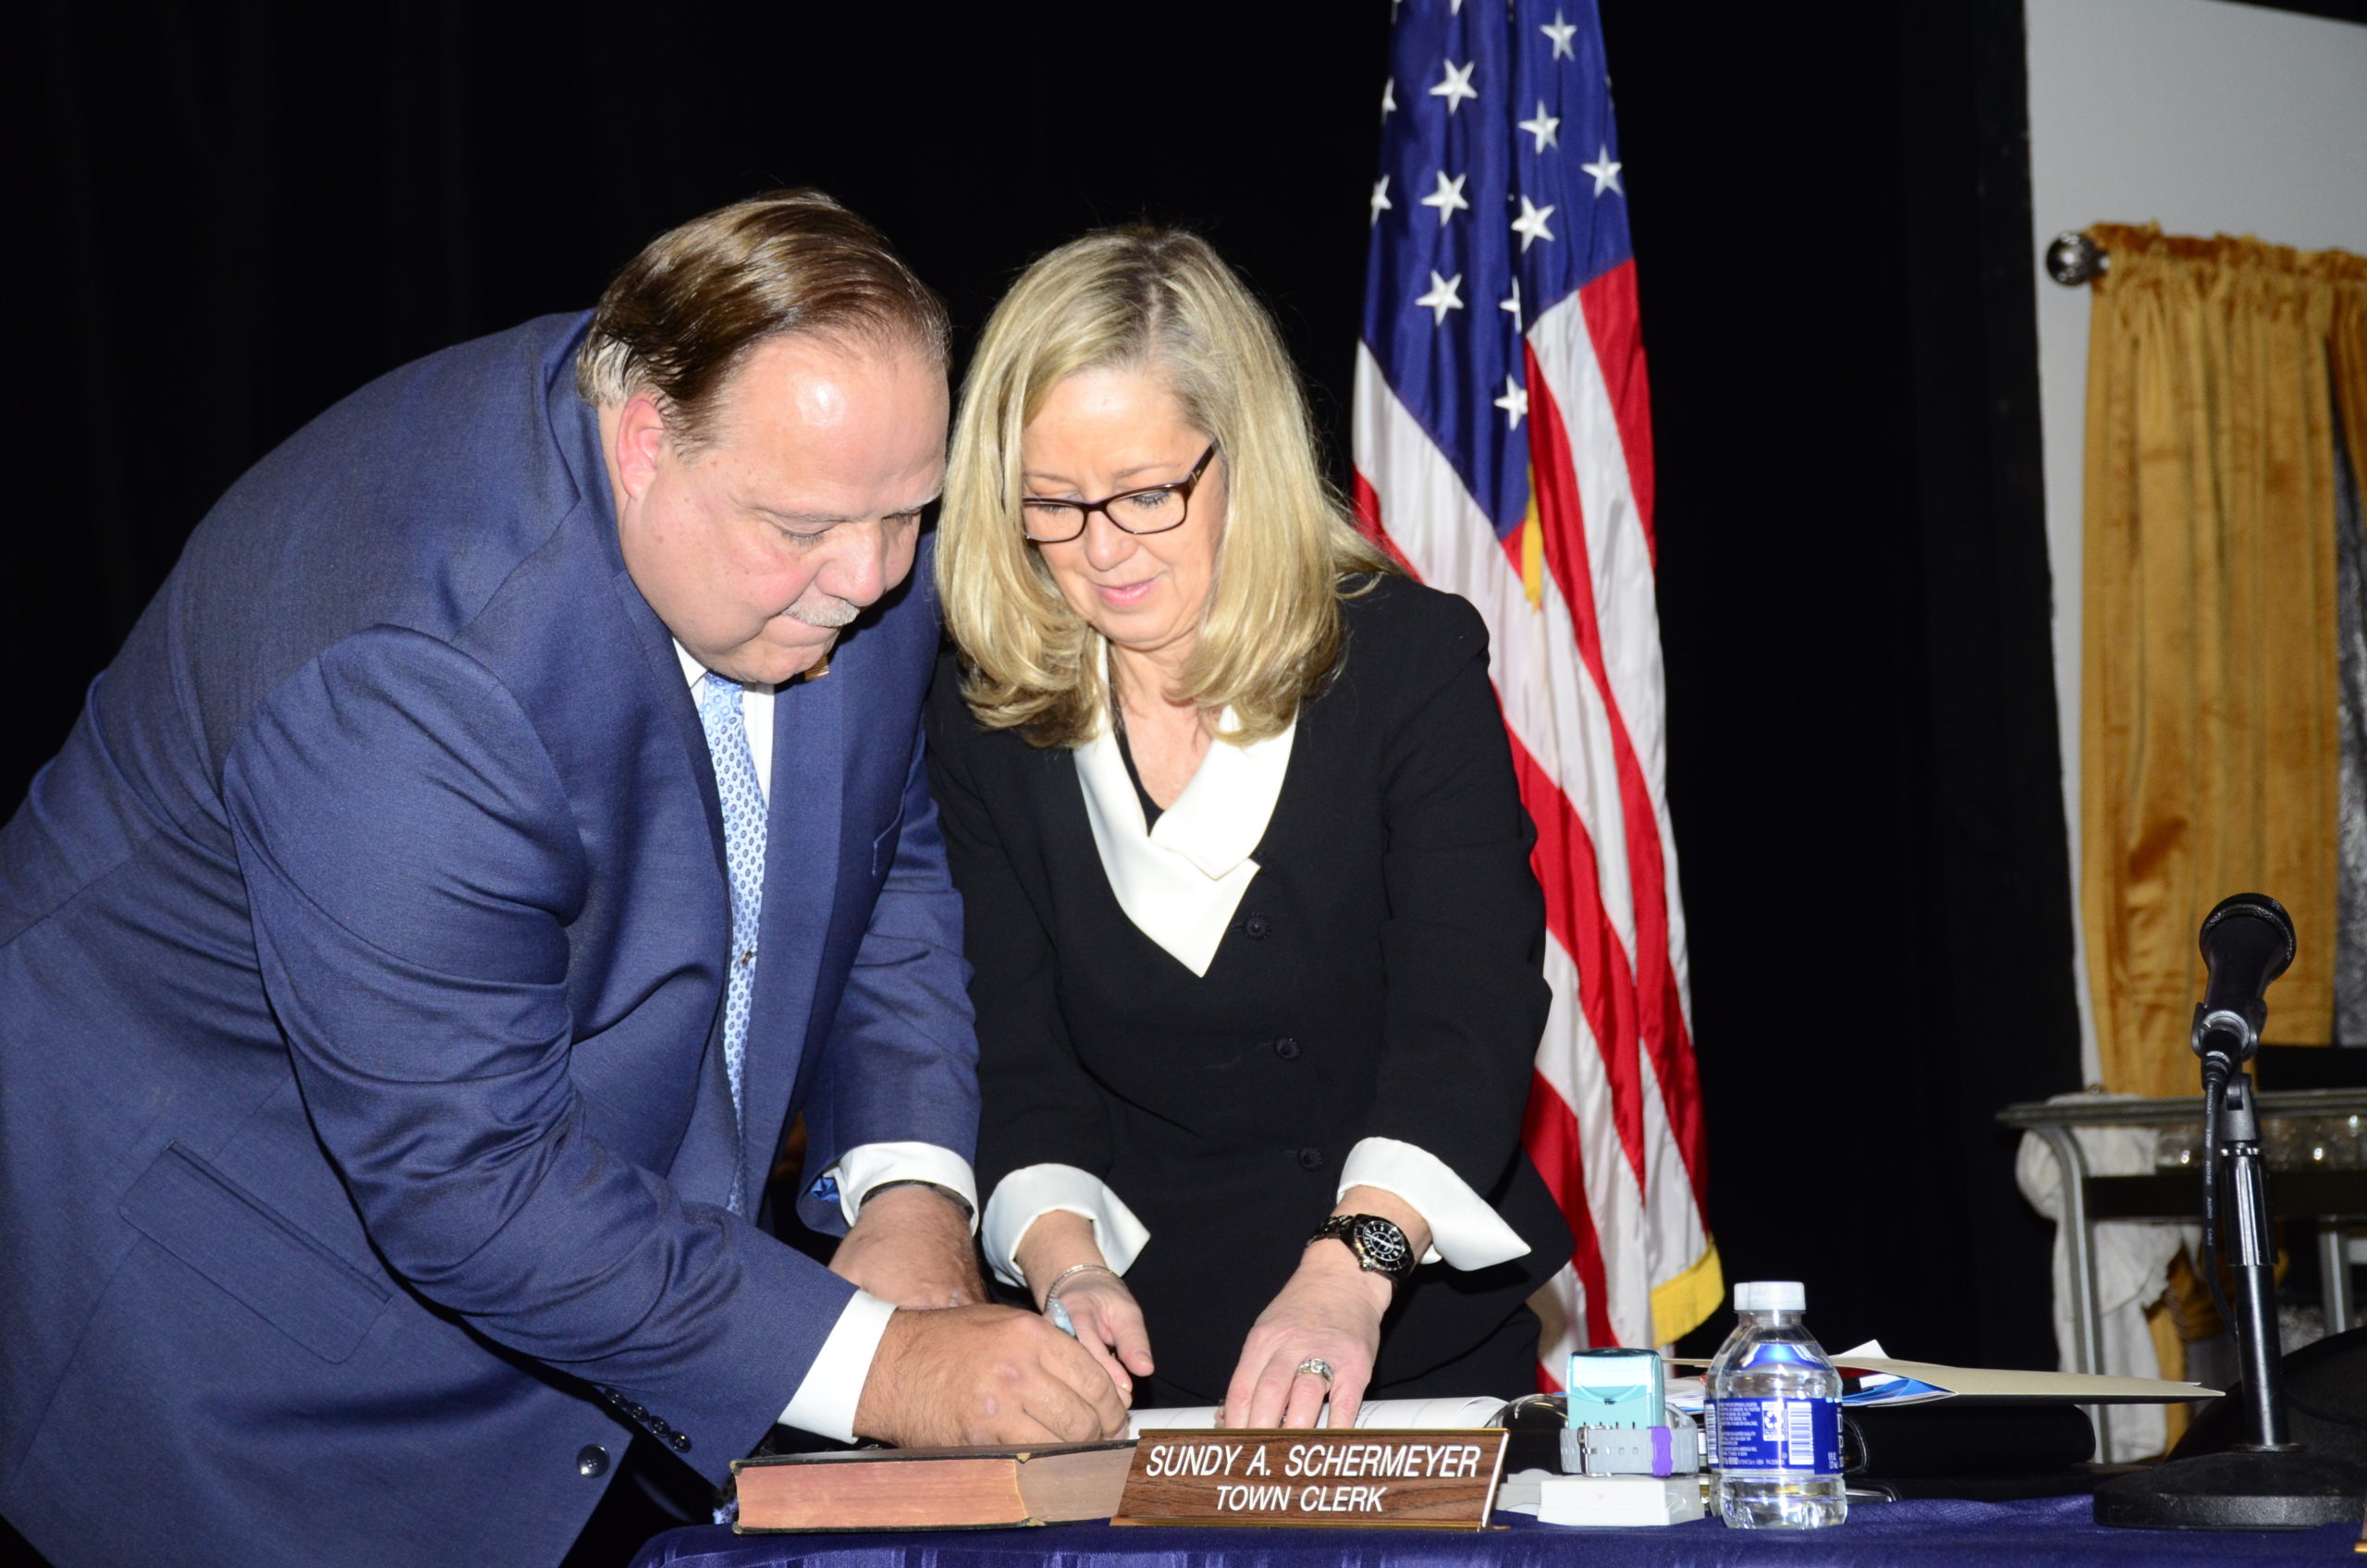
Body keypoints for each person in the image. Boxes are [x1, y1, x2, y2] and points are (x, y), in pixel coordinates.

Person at [0, 191, 1122, 1568]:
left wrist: (907, 1194)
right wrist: (884, 1369)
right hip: (243, 1327)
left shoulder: (835, 492)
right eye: (810, 530)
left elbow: (878, 852)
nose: (875, 581)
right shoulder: (413, 665)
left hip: (580, 1261)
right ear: (646, 438)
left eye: (914, 515)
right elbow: (470, 1181)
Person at [926, 227, 1574, 1428]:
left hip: (1406, 1336)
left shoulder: (1404, 666)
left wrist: (1349, 1272)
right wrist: (1066, 1260)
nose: (1102, 549)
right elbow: (1017, 1060)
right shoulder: (987, 724)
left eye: (1145, 493)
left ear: (1247, 457)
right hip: (1139, 1367)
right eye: (1050, 504)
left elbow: (1466, 1012)